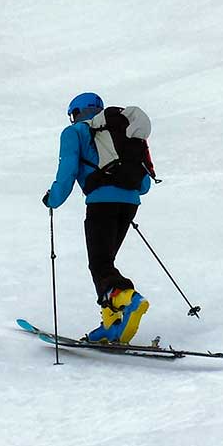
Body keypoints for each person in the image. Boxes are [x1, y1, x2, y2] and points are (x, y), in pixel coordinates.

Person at [42, 92, 153, 344]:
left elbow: (67, 172)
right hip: (129, 204)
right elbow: (144, 184)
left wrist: (53, 199)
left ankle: (128, 298)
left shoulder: (75, 133)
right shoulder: (121, 132)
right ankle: (111, 322)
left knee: (100, 265)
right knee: (104, 263)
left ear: (76, 113)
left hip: (101, 203)